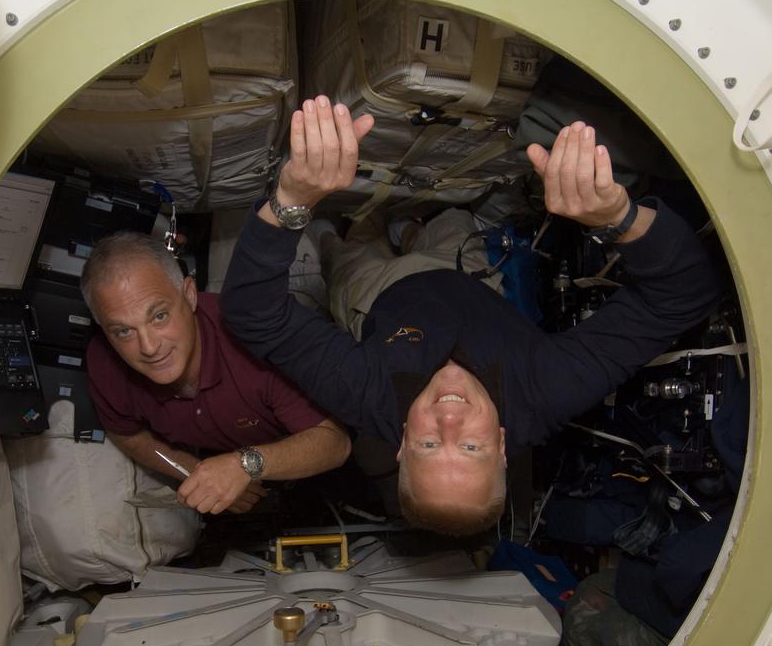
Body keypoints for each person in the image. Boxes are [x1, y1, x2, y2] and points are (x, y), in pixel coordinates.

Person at [221, 96, 723, 535]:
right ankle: (411, 228)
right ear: (502, 447)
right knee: (453, 215)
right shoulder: (545, 393)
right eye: (470, 448)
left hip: (379, 294)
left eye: (429, 442)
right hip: (468, 275)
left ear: (399, 447)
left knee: (347, 241)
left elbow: (252, 315)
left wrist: (294, 201)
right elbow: (682, 296)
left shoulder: (369, 397)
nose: (449, 416)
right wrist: (618, 219)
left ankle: (350, 231)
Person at [82, 232, 351, 515]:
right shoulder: (105, 362)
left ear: (189, 295)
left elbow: (335, 442)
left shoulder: (257, 342)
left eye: (159, 316)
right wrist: (199, 473)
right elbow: (127, 434)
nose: (149, 347)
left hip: (318, 445)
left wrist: (243, 466)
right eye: (124, 331)